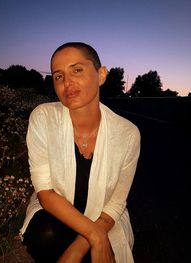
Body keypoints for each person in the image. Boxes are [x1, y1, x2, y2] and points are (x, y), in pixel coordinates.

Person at [19, 42, 140, 263]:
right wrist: (94, 237)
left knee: (103, 254)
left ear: (101, 74)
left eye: (77, 70)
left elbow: (116, 202)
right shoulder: (44, 118)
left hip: (105, 218)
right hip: (57, 213)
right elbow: (45, 192)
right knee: (45, 236)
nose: (67, 82)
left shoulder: (128, 134)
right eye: (58, 76)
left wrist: (88, 240)